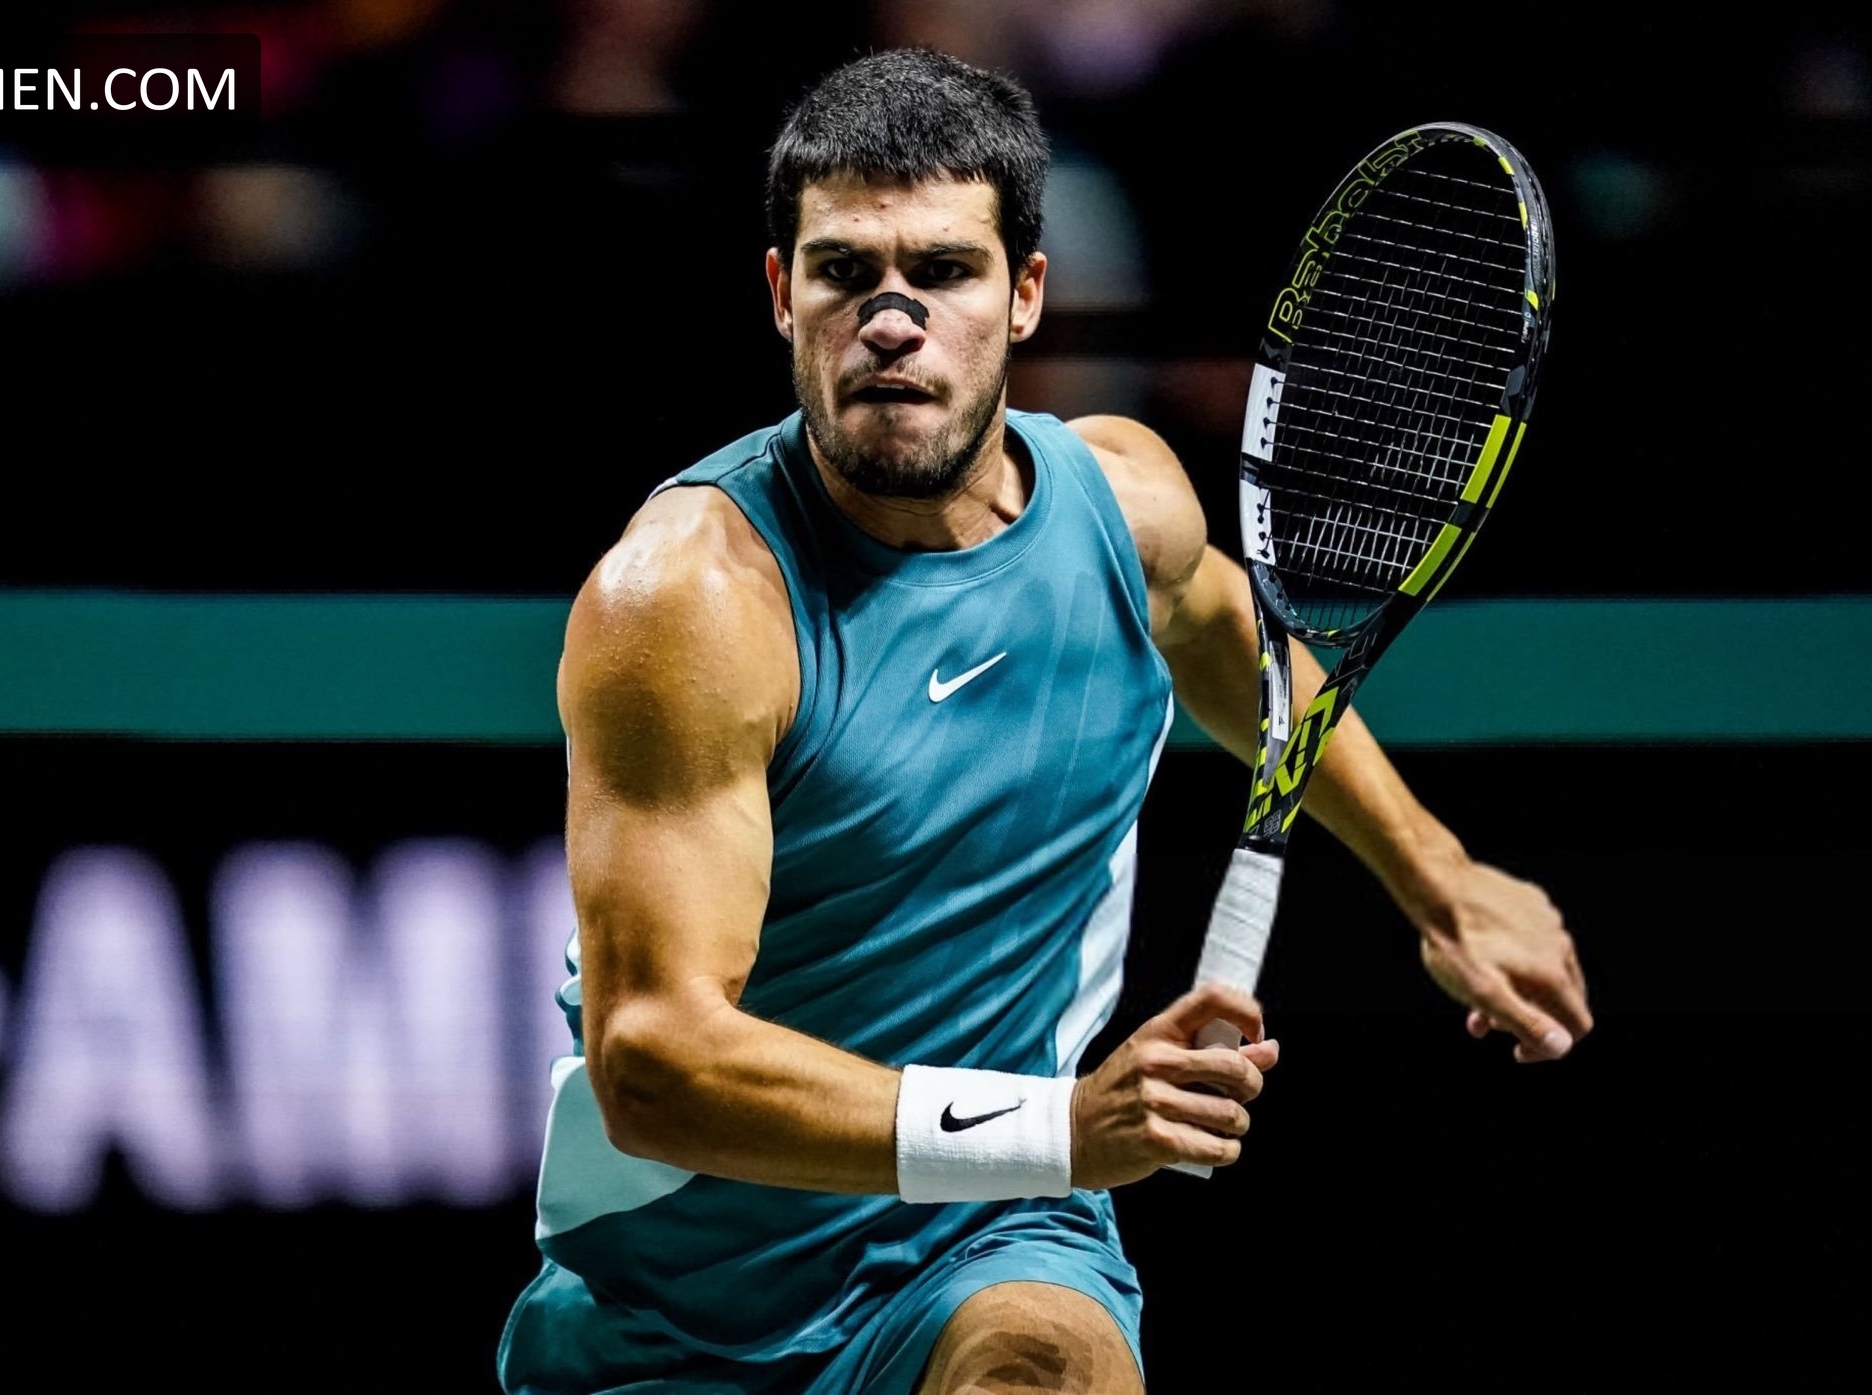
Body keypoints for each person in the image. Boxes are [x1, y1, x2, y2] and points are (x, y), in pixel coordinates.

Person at [496, 47, 1592, 1395]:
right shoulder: (690, 602)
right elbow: (655, 1063)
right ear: (782, 294)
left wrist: (1442, 880)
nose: (890, 320)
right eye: (843, 272)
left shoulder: (1125, 508)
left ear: (1023, 295)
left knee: (1044, 1374)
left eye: (944, 271)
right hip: (674, 1307)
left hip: (989, 1236)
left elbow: (1236, 649)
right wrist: (1059, 1128)